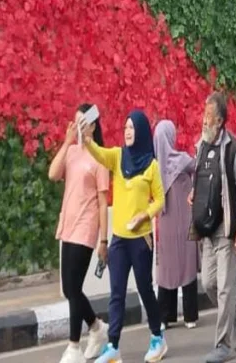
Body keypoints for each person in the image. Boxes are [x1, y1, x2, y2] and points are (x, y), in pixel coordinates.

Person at [85, 110, 168, 363]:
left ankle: (157, 338)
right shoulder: (118, 157)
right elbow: (100, 153)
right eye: (125, 127)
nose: (128, 131)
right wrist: (87, 139)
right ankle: (113, 346)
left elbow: (161, 200)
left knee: (145, 289)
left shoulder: (152, 166)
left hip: (142, 240)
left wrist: (145, 215)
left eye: (132, 127)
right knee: (116, 293)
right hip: (119, 240)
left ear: (141, 131)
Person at [190, 93, 236, 363]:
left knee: (225, 287)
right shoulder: (200, 146)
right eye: (204, 115)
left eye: (209, 117)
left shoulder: (233, 148)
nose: (204, 121)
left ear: (221, 121)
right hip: (206, 228)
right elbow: (199, 178)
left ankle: (222, 344)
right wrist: (194, 195)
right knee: (209, 283)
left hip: (226, 227)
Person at [49, 105, 111, 363]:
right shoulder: (72, 152)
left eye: (82, 123)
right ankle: (96, 327)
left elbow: (102, 202)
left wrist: (104, 239)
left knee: (74, 287)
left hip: (86, 228)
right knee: (68, 288)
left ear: (93, 126)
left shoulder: (101, 158)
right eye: (74, 123)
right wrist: (65, 143)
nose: (77, 128)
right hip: (68, 225)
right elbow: (53, 174)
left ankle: (73, 346)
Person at [153, 120, 198, 331]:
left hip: (166, 222)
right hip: (186, 220)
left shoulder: (154, 167)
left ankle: (165, 316)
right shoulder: (182, 160)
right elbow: (200, 167)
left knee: (168, 268)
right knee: (187, 263)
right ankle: (190, 315)